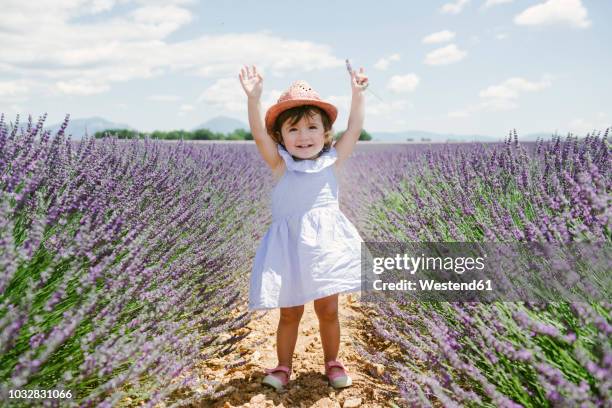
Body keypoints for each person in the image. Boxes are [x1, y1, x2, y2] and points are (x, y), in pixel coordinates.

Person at [238, 64, 369, 391]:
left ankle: (332, 361)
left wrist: (357, 94)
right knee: (290, 313)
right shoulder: (280, 165)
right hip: (290, 251)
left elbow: (353, 129)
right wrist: (254, 100)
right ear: (279, 137)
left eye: (312, 127)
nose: (303, 136)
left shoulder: (332, 161)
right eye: (293, 130)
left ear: (326, 134)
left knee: (328, 310)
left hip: (325, 249)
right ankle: (283, 367)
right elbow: (256, 134)